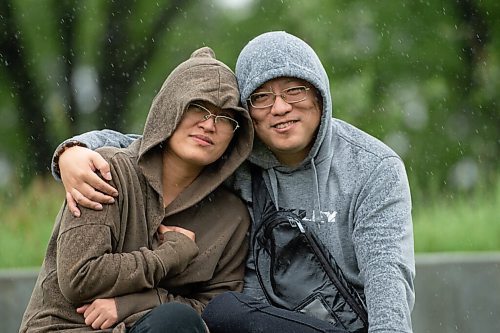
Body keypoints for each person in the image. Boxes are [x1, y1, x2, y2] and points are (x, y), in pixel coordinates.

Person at [50, 31, 415, 333]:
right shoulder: (235, 160)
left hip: (342, 327)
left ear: (320, 95)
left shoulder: (372, 167)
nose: (280, 107)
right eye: (261, 97)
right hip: (256, 324)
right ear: (247, 113)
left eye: (295, 90)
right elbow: (159, 141)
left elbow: (389, 283)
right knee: (221, 314)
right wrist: (75, 150)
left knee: (226, 312)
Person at [19, 46, 254, 333]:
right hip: (67, 328)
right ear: (170, 107)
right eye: (198, 107)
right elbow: (79, 278)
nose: (209, 125)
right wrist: (171, 254)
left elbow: (217, 310)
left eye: (225, 117)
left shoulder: (232, 216)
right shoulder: (106, 171)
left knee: (176, 322)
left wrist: (138, 302)